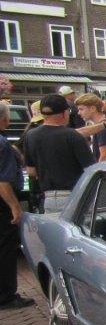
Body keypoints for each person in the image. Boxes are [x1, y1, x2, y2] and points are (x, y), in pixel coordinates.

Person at [22, 95, 95, 215]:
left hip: (48, 198)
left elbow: (31, 171)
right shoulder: (73, 136)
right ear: (64, 113)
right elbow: (90, 169)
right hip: (76, 195)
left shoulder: (30, 136)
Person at [0, 102, 33, 310]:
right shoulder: (2, 144)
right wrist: (15, 206)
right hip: (2, 204)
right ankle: (6, 295)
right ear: (4, 119)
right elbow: (2, 182)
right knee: (5, 247)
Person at [76, 94, 106, 161]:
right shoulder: (102, 126)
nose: (78, 113)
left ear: (93, 108)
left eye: (81, 109)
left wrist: (95, 171)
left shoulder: (102, 129)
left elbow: (105, 157)